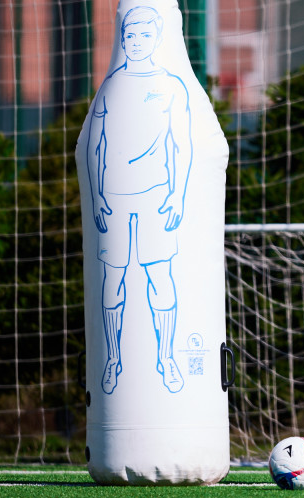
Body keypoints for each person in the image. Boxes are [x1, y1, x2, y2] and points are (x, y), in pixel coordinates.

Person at [86, 5, 193, 395]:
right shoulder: (111, 88)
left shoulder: (171, 86)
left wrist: (177, 194)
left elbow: (179, 144)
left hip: (154, 199)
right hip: (114, 200)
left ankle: (165, 359)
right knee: (113, 279)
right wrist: (98, 196)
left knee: (159, 275)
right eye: (129, 36)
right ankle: (114, 360)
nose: (134, 42)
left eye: (143, 36)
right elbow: (94, 145)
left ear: (157, 38)